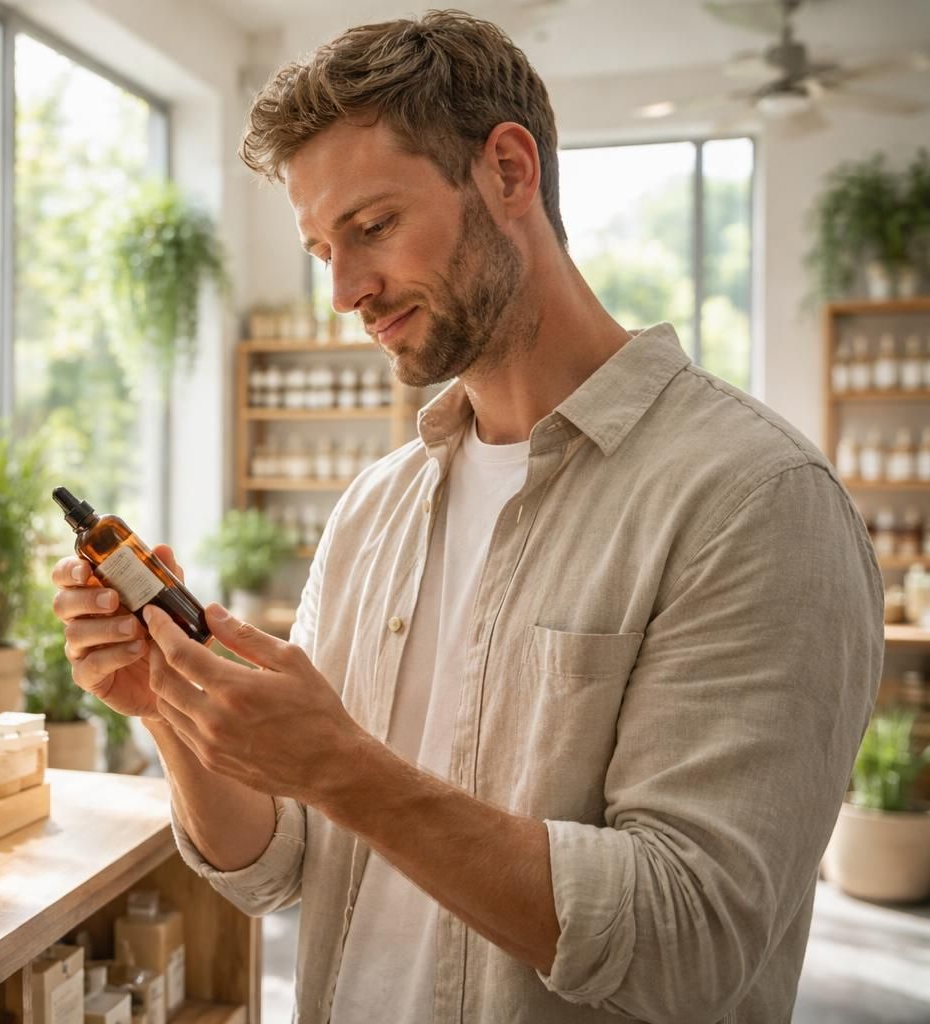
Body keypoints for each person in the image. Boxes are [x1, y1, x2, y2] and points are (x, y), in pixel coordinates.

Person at [52, 11, 881, 1023]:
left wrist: (343, 768)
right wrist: (168, 706)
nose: (345, 290)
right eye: (322, 248)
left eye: (371, 228)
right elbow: (276, 866)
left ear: (508, 172)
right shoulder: (374, 510)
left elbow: (691, 940)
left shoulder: (755, 501)